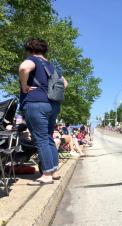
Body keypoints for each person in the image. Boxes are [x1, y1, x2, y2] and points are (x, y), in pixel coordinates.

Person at [19, 38, 68, 185]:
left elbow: (23, 68)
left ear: (29, 49)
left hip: (36, 103)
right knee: (48, 137)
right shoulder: (52, 66)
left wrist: (24, 86)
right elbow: (65, 83)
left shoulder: (32, 59)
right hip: (53, 105)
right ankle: (54, 171)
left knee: (40, 139)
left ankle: (46, 175)